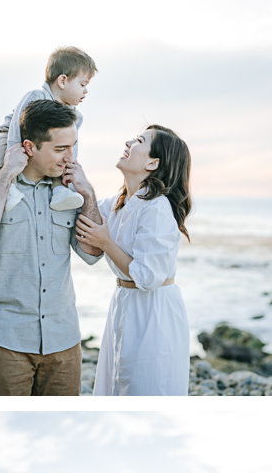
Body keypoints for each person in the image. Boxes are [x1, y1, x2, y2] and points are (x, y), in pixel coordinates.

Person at [0, 99, 103, 396]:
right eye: (60, 149)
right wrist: (7, 174)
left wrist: (88, 194)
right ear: (29, 147)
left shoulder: (69, 187)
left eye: (73, 147)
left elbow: (91, 254)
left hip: (63, 343)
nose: (70, 158)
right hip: (4, 341)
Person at [74, 126, 192, 396]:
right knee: (115, 385)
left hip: (153, 311)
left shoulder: (157, 207)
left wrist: (106, 243)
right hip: (124, 302)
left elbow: (149, 277)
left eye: (139, 141)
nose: (128, 142)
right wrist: (78, 181)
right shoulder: (120, 201)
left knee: (146, 387)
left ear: (153, 162)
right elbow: (89, 209)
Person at [0, 45, 96, 214]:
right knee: (2, 152)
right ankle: (8, 187)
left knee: (57, 158)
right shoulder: (36, 97)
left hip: (42, 145)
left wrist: (69, 167)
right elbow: (16, 129)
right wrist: (12, 158)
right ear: (62, 81)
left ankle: (60, 191)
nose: (86, 91)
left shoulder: (74, 114)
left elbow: (70, 145)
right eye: (82, 84)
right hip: (11, 134)